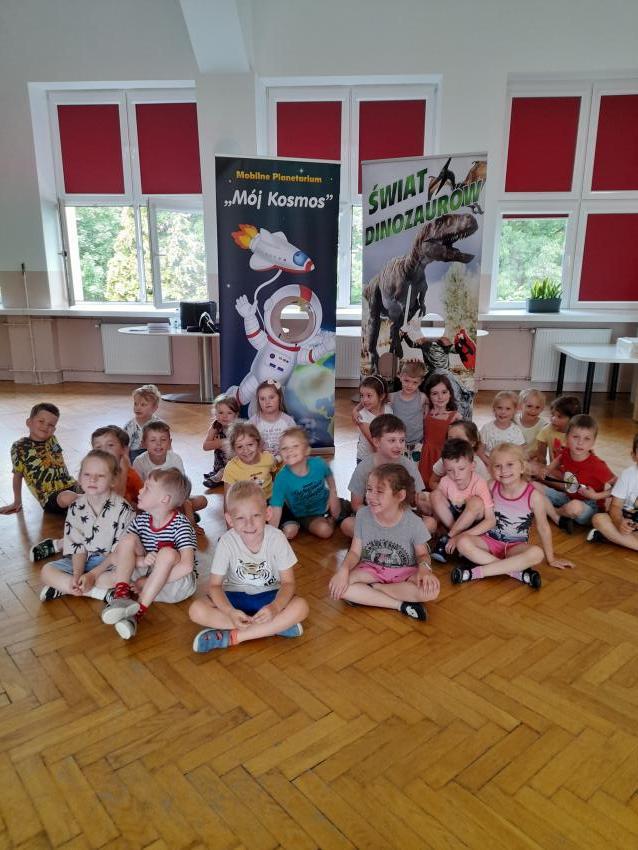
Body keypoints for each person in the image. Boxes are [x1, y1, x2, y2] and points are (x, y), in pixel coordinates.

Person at [189, 480, 308, 652]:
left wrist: (275, 607)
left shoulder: (277, 538)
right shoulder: (226, 542)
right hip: (235, 597)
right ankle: (274, 627)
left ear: (267, 513)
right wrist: (230, 612)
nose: (249, 524)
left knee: (301, 607)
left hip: (269, 597)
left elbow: (288, 583)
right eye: (240, 518)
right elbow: (214, 586)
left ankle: (233, 637)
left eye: (256, 516)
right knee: (196, 610)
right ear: (229, 519)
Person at [453, 443, 574, 587]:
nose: (504, 470)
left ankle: (477, 572)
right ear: (491, 470)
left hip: (516, 547)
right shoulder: (491, 485)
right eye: (498, 466)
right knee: (462, 543)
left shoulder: (534, 496)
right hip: (489, 541)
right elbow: (473, 504)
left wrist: (551, 558)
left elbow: (543, 528)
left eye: (510, 464)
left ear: (522, 467)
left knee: (537, 553)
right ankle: (514, 572)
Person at [329, 463, 440, 621]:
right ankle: (400, 605)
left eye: (380, 491)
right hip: (372, 570)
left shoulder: (414, 523)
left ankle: (374, 590)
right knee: (341, 587)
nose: (371, 496)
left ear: (400, 495)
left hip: (404, 572)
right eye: (369, 489)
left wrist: (424, 569)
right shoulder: (362, 515)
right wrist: (343, 570)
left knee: (431, 592)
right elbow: (354, 552)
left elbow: (422, 555)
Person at [99, 468, 198, 639]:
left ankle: (137, 613)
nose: (140, 491)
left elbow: (187, 567)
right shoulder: (141, 520)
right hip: (146, 580)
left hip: (175, 585)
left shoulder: (180, 525)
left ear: (164, 499)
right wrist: (142, 561)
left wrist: (146, 581)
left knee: (167, 554)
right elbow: (118, 555)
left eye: (147, 488)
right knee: (127, 541)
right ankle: (121, 596)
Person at [39, 450, 135, 602]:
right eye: (87, 474)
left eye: (100, 475)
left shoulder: (124, 509)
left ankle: (65, 588)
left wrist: (92, 575)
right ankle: (97, 593)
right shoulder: (75, 506)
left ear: (113, 480)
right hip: (81, 562)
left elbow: (120, 553)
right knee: (46, 571)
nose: (92, 480)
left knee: (123, 576)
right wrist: (77, 575)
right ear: (79, 478)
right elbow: (77, 547)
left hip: (108, 565)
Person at [342, 414, 433, 538]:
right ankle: (397, 540)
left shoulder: (408, 465)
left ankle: (384, 540)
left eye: (402, 440)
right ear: (376, 442)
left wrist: (423, 503)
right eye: (392, 440)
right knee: (347, 524)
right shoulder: (364, 467)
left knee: (431, 523)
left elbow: (417, 497)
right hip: (374, 517)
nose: (399, 445)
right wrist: (378, 514)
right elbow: (356, 504)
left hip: (401, 517)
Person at [0, 402, 79, 519]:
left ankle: (88, 503)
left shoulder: (53, 439)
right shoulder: (20, 447)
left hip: (69, 484)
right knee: (67, 497)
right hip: (50, 496)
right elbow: (17, 475)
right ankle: (87, 502)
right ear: (29, 422)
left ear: (54, 429)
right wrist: (17, 501)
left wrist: (73, 482)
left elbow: (60, 461)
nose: (45, 426)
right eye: (41, 421)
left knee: (89, 485)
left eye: (51, 425)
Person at [270, 427, 347, 540]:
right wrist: (270, 536)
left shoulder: (319, 463)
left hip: (327, 503)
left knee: (357, 510)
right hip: (307, 516)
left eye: (295, 446)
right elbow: (276, 508)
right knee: (325, 531)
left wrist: (333, 495)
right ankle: (332, 521)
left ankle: (340, 518)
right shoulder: (281, 478)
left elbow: (330, 478)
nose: (289, 451)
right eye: (284, 448)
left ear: (307, 450)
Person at [544, 413, 616, 531]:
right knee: (534, 487)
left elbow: (619, 486)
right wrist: (549, 468)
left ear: (593, 442)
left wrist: (596, 496)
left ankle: (552, 512)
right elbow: (560, 458)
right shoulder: (567, 452)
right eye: (575, 437)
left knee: (574, 506)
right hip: (568, 496)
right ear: (567, 437)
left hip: (589, 507)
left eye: (587, 439)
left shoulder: (597, 465)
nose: (580, 442)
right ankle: (559, 512)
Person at [430, 438, 495, 563]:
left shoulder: (480, 483)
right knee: (435, 495)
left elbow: (491, 520)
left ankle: (450, 538)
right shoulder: (445, 481)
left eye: (461, 469)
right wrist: (437, 526)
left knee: (476, 502)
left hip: (474, 523)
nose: (456, 475)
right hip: (454, 521)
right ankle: (453, 539)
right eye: (450, 470)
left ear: (472, 466)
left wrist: (464, 535)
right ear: (445, 468)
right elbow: (438, 507)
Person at [132, 420, 208, 528]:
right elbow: (138, 490)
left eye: (163, 439)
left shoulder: (175, 459)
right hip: (152, 503)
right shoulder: (139, 462)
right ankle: (178, 517)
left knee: (202, 501)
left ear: (170, 442)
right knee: (135, 508)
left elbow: (182, 487)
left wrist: (189, 517)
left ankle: (177, 517)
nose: (158, 444)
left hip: (174, 500)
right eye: (153, 440)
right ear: (143, 443)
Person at [589, 433, 638, 550]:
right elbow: (616, 506)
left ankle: (611, 537)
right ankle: (626, 539)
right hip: (628, 518)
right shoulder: (627, 475)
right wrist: (619, 523)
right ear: (633, 455)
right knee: (598, 519)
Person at [419, 373, 461, 484]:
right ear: (428, 395)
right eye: (435, 393)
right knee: (424, 483)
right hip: (426, 456)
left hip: (444, 457)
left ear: (450, 393)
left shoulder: (455, 416)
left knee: (442, 485)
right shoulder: (425, 412)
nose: (440, 397)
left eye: (444, 392)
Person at [223, 421, 277, 504]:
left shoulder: (268, 458)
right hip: (246, 504)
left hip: (270, 499)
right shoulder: (231, 468)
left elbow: (274, 476)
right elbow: (228, 500)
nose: (246, 450)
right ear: (234, 449)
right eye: (240, 447)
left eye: (250, 444)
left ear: (258, 443)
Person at [91, 425, 143, 508]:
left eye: (110, 445)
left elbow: (144, 501)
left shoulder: (131, 475)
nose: (104, 450)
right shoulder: (92, 474)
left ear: (124, 450)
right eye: (98, 447)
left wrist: (134, 507)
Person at [429, 420, 489, 487]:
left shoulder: (478, 465)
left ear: (472, 443)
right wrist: (446, 491)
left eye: (459, 439)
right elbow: (432, 482)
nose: (454, 443)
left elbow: (485, 488)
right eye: (450, 439)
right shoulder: (445, 459)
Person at [389, 361, 427, 462]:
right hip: (399, 442)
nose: (410, 385)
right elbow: (376, 398)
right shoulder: (393, 397)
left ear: (421, 381)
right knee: (401, 466)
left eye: (415, 382)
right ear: (400, 376)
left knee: (415, 467)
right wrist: (356, 409)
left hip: (418, 442)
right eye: (406, 380)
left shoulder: (422, 397)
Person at [249, 379, 296, 457]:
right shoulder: (253, 423)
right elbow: (248, 445)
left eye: (271, 397)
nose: (267, 402)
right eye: (262, 399)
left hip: (284, 461)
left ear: (280, 398)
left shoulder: (288, 421)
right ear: (258, 401)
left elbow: (295, 444)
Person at [202, 395, 240, 488]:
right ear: (215, 414)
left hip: (236, 463)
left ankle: (220, 477)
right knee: (223, 470)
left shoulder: (239, 428)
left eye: (229, 413)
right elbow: (205, 446)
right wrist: (221, 442)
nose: (225, 416)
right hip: (220, 464)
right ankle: (220, 476)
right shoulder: (216, 426)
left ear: (236, 415)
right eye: (221, 412)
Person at [478, 391, 526, 463]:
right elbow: (480, 452)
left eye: (508, 409)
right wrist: (489, 463)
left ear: (514, 411)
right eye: (499, 408)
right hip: (488, 461)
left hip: (508, 464)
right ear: (494, 409)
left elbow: (520, 452)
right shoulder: (486, 428)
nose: (503, 412)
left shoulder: (516, 430)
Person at [353, 375, 393, 462]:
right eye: (362, 395)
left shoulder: (388, 409)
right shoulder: (362, 417)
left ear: (381, 396)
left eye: (369, 395)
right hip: (365, 459)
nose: (364, 400)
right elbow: (375, 443)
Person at [535, 395, 581, 464]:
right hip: (554, 469)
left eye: (559, 416)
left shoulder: (579, 433)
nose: (553, 419)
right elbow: (541, 456)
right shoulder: (546, 430)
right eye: (552, 414)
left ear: (572, 419)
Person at [123, 384, 161, 462]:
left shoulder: (159, 425)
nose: (138, 408)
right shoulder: (129, 426)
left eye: (143, 405)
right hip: (135, 455)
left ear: (154, 408)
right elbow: (125, 447)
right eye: (135, 404)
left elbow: (165, 443)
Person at [515, 388, 548, 458]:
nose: (533, 410)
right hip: (515, 454)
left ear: (542, 409)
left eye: (537, 407)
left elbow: (542, 450)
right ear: (520, 406)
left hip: (533, 456)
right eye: (529, 406)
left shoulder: (543, 425)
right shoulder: (513, 420)